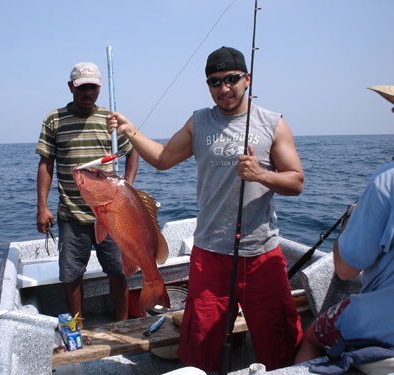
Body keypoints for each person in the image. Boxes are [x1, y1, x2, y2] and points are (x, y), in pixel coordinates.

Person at [107, 46, 305, 372]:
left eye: (231, 79)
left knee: (279, 343)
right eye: (214, 82)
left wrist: (262, 175)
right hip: (210, 254)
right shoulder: (199, 122)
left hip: (262, 256)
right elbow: (162, 158)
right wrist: (130, 131)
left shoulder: (273, 123)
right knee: (201, 346)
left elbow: (296, 182)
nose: (223, 89)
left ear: (247, 79)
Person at [295, 86, 394, 365]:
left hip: (384, 326)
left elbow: (346, 269)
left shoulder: (386, 181)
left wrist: (349, 221)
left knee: (314, 335)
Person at [36, 61, 139, 326]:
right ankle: (77, 325)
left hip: (110, 214)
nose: (88, 93)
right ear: (71, 87)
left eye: (93, 87)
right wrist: (42, 206)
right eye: (82, 88)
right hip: (71, 215)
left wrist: (126, 187)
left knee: (117, 270)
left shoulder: (111, 121)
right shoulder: (54, 119)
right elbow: (46, 163)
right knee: (71, 275)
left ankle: (123, 324)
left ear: (100, 88)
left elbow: (133, 150)